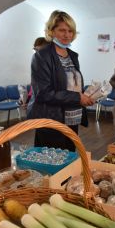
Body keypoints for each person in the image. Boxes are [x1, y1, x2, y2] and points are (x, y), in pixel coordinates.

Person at [27, 10, 95, 151]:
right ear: (51, 31)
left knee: (68, 160)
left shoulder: (72, 55)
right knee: (51, 165)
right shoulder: (41, 56)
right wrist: (78, 97)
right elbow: (43, 93)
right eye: (62, 30)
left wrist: (87, 96)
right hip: (51, 120)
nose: (67, 35)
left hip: (72, 119)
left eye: (70, 31)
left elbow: (71, 85)